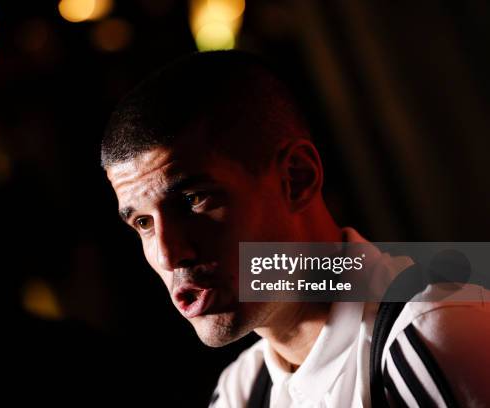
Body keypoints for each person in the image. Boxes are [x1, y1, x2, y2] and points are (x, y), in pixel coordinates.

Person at [100, 50, 490, 407]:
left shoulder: (431, 334)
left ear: (297, 179)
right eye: (144, 223)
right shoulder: (241, 391)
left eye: (194, 200)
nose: (169, 254)